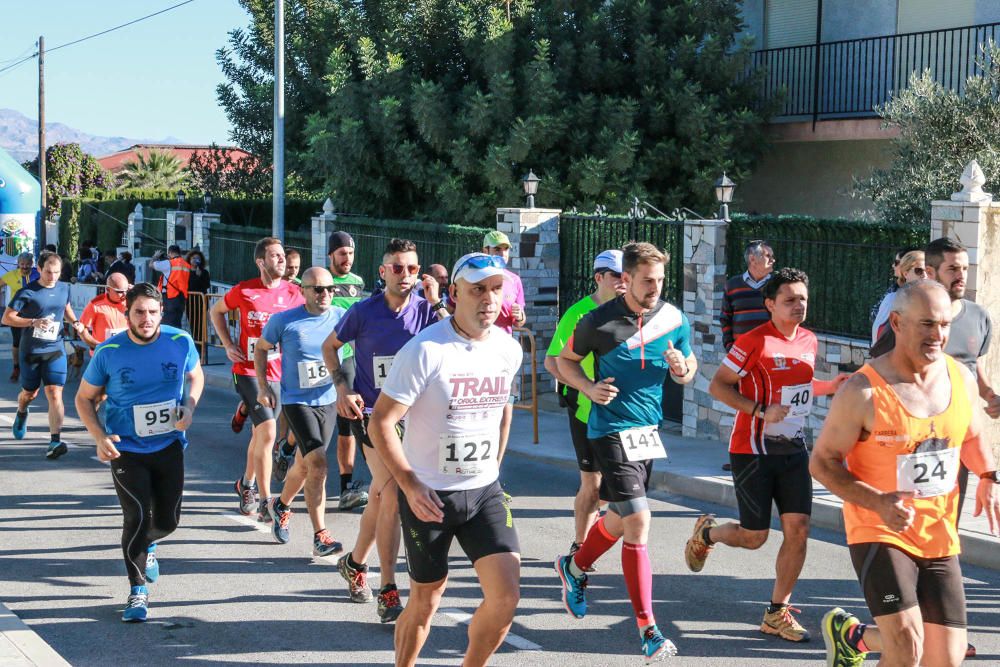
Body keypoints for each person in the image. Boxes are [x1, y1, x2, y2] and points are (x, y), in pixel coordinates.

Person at [810, 280, 1000, 667]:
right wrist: (876, 501)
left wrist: (988, 477)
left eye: (944, 324)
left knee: (946, 658)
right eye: (927, 324)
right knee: (906, 646)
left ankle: (851, 638)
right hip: (880, 529)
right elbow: (822, 461)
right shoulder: (863, 391)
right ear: (896, 323)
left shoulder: (960, 379)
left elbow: (972, 434)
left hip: (939, 533)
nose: (939, 335)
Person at [371, 251, 523, 667]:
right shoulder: (426, 350)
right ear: (454, 293)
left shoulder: (509, 350)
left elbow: (503, 411)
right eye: (478, 290)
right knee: (426, 599)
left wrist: (493, 467)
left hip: (484, 492)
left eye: (496, 289)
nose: (489, 299)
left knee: (506, 598)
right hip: (429, 496)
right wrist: (409, 484)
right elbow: (381, 423)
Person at [686, 267, 849, 643]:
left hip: (793, 448)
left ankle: (776, 613)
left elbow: (801, 385)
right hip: (752, 450)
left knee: (799, 530)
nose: (798, 306)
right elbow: (718, 386)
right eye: (790, 300)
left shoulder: (808, 339)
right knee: (755, 536)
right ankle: (707, 533)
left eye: (803, 299)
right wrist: (760, 410)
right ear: (770, 304)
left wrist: (830, 386)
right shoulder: (753, 341)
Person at [555, 241, 698, 662]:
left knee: (618, 518)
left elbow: (689, 369)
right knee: (638, 519)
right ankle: (648, 629)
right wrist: (587, 387)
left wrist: (680, 368)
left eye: (659, 281)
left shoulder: (673, 319)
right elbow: (564, 362)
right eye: (646, 280)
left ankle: (575, 567)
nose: (654, 288)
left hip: (646, 432)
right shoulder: (596, 321)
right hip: (608, 429)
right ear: (626, 280)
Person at [322, 237, 445, 624]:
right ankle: (389, 588)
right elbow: (330, 347)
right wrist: (343, 389)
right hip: (374, 415)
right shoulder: (363, 311)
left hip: (416, 417)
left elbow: (454, 340)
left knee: (379, 494)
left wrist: (437, 300)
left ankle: (355, 562)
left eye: (412, 268)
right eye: (397, 267)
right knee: (391, 491)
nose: (405, 275)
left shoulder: (428, 312)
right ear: (382, 271)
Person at [75, 282, 204, 622]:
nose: (146, 319)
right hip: (126, 449)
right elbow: (84, 398)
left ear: (162, 312)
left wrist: (189, 408)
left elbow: (197, 376)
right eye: (139, 312)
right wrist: (99, 436)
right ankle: (137, 592)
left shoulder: (180, 341)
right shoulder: (109, 351)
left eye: (152, 312)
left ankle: (148, 547)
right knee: (136, 518)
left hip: (169, 445)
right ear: (126, 314)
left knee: (167, 521)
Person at [257, 267, 351, 557]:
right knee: (320, 465)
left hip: (328, 401)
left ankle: (281, 505)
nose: (325, 295)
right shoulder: (284, 320)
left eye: (330, 289)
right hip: (297, 402)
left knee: (305, 465)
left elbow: (347, 355)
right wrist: (263, 387)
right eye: (318, 289)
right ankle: (320, 536)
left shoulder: (339, 317)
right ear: (304, 291)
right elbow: (261, 349)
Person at [210, 237, 303, 522]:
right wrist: (227, 343)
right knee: (269, 433)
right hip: (248, 372)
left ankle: (245, 484)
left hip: (279, 373)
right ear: (260, 261)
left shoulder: (294, 294)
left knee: (260, 436)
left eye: (282, 256)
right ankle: (265, 501)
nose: (281, 260)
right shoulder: (245, 290)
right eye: (274, 256)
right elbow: (216, 311)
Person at [544, 249, 626, 558]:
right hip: (587, 412)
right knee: (591, 485)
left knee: (616, 489)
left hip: (625, 415)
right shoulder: (579, 314)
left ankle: (595, 526)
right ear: (599, 278)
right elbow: (553, 362)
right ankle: (580, 546)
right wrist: (586, 388)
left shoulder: (634, 311)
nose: (623, 281)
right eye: (617, 275)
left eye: (626, 275)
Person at [1, 251, 84, 459]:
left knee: (55, 392)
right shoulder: (27, 292)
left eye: (56, 272)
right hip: (31, 350)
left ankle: (55, 441)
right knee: (30, 394)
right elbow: (8, 318)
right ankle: (21, 410)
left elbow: (65, 308)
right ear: (39, 269)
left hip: (55, 348)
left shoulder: (64, 288)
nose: (53, 276)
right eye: (48, 272)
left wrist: (75, 322)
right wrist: (32, 322)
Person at [326, 231, 369, 511]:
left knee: (350, 424)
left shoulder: (357, 283)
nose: (347, 259)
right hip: (323, 360)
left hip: (350, 361)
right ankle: (288, 447)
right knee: (313, 421)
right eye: (342, 254)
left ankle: (345, 487)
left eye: (351, 254)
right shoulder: (321, 282)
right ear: (331, 255)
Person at [720, 239, 775, 352]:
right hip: (740, 353)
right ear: (752, 259)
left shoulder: (778, 285)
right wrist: (730, 346)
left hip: (771, 351)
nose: (773, 260)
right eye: (768, 256)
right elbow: (725, 318)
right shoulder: (732, 285)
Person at [871, 249, 925, 348]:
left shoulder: (935, 302)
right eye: (919, 271)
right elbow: (878, 328)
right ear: (905, 273)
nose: (925, 275)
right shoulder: (892, 298)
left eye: (928, 270)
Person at [2, 252, 40, 382]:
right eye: (22, 264)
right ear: (18, 264)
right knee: (17, 342)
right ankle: (16, 367)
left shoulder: (38, 274)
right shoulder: (11, 275)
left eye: (28, 264)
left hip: (35, 312)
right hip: (16, 313)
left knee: (35, 340)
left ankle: (34, 367)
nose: (25, 267)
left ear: (32, 264)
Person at [482, 230, 526, 333]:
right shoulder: (472, 277)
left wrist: (519, 316)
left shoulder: (515, 280)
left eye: (506, 249)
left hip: (504, 345)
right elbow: (450, 310)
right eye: (497, 249)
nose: (502, 254)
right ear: (485, 251)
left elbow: (519, 323)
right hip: (474, 344)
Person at [869, 245, 921, 325]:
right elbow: (874, 315)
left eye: (896, 262)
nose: (893, 265)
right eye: (919, 271)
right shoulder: (895, 289)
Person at [79, 273, 130, 353]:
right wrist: (97, 346)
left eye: (126, 291)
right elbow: (82, 329)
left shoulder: (131, 302)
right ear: (108, 289)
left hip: (124, 352)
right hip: (102, 355)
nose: (124, 295)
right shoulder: (95, 304)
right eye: (119, 292)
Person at [151, 245, 193, 328]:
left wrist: (155, 256)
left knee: (168, 323)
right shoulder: (186, 265)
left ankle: (168, 339)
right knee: (177, 322)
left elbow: (151, 265)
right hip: (181, 298)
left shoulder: (168, 263)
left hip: (170, 297)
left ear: (170, 253)